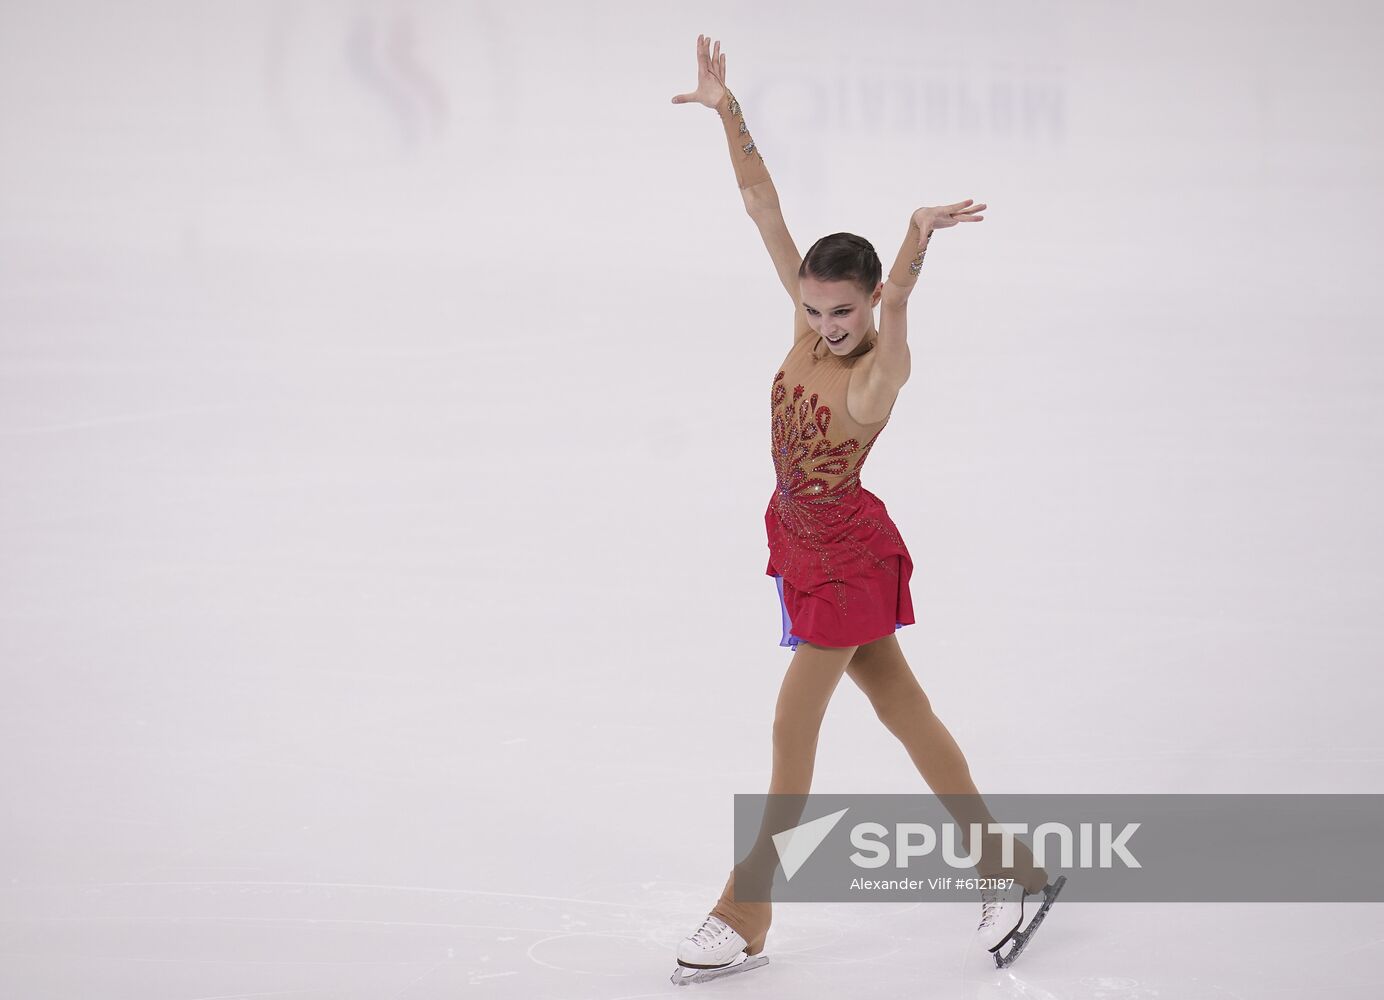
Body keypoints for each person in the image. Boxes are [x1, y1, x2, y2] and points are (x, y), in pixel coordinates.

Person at [667, 35, 1064, 986]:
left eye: (841, 312)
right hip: (806, 547)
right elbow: (763, 207)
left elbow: (905, 299)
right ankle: (1010, 865)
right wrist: (727, 109)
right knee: (905, 709)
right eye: (813, 311)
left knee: (791, 730)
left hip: (846, 561)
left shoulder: (880, 369)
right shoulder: (808, 324)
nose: (824, 326)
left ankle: (745, 910)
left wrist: (917, 233)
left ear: (870, 299)